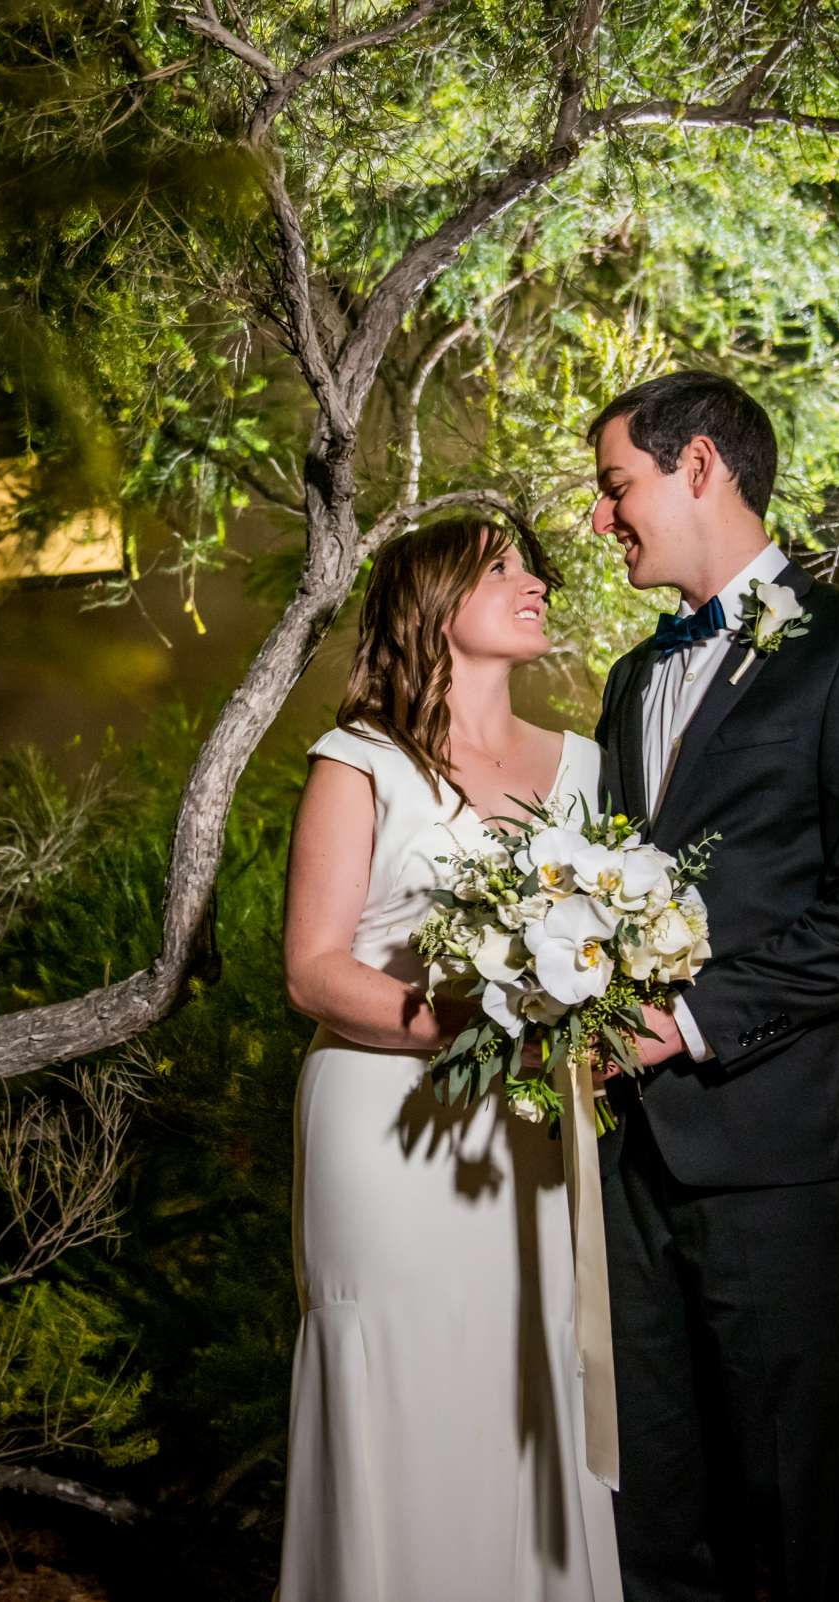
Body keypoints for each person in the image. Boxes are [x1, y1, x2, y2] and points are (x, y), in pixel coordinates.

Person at [586, 371, 839, 1602]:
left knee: (797, 1519)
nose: (601, 517)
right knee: (653, 1517)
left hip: (792, 1153)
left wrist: (685, 1024)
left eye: (614, 485)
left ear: (700, 469)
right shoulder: (635, 678)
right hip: (632, 1163)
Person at [277, 520, 623, 1602]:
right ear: (432, 606)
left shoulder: (585, 768)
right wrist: (477, 1027)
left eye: (533, 567)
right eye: (502, 570)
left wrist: (597, 1031)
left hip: (524, 1135)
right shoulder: (360, 762)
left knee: (525, 1378)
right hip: (385, 1129)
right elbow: (315, 970)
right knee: (398, 1385)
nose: (536, 583)